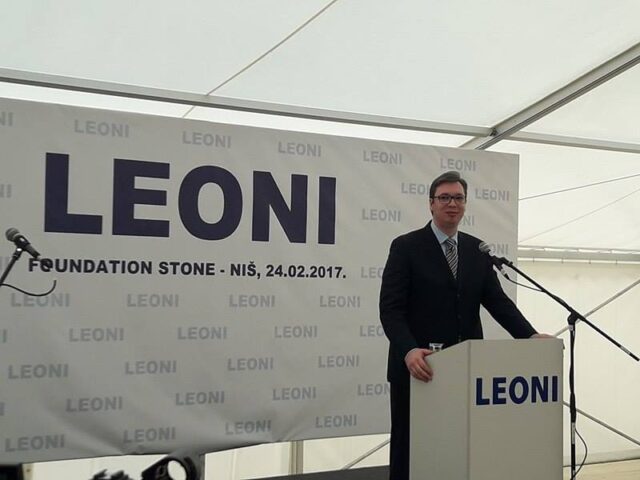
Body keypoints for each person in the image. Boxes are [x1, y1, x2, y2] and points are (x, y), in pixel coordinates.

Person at [379, 170, 550, 480]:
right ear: (431, 204)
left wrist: (530, 335)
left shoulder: (476, 249)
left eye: (458, 198)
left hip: (465, 370)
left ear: (465, 204)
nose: (452, 204)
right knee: (411, 450)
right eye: (444, 198)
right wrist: (408, 351)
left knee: (459, 447)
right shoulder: (406, 246)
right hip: (419, 368)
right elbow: (390, 310)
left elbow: (498, 302)